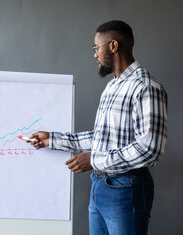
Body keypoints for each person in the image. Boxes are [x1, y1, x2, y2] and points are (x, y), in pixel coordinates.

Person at [28, 20, 167, 235]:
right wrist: (51, 139)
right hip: (99, 185)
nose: (95, 55)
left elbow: (149, 150)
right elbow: (100, 137)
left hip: (126, 188)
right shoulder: (111, 87)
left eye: (96, 48)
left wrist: (94, 159)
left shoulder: (146, 87)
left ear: (113, 46)